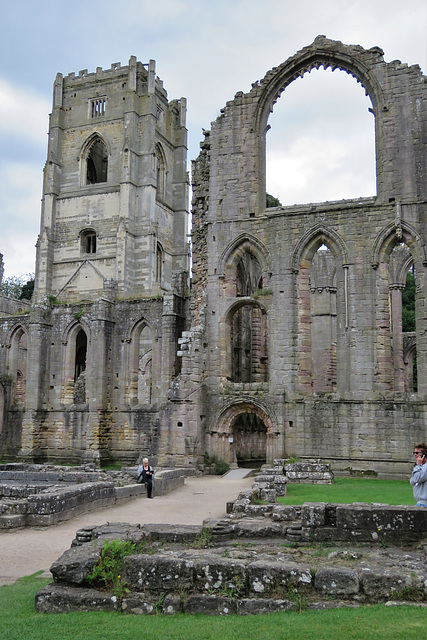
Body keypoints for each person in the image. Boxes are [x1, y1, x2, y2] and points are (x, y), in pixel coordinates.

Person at [410, 443, 427, 507]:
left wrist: (418, 465)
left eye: (417, 453)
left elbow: (416, 479)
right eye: (414, 453)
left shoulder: (425, 467)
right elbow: (412, 481)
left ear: (424, 454)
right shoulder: (421, 467)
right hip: (420, 502)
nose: (415, 454)